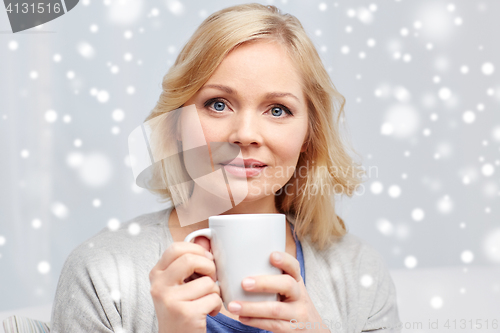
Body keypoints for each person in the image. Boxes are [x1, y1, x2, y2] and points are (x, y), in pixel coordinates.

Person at [51, 3, 402, 333]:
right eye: (218, 104)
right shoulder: (101, 273)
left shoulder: (359, 272)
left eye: (277, 109)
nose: (245, 134)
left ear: (309, 134)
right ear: (175, 125)